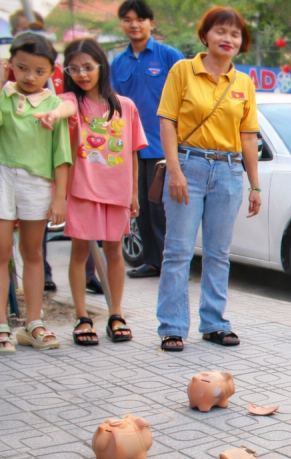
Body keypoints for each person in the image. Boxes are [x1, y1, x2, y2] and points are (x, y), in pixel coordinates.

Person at [155, 6, 261, 352]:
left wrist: (254, 184)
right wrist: (174, 170)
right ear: (205, 36)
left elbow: (248, 136)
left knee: (218, 252)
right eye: (220, 31)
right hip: (189, 165)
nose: (227, 39)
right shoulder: (183, 70)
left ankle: (214, 322)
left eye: (235, 34)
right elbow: (167, 121)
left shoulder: (244, 82)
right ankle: (172, 326)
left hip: (230, 171)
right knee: (178, 251)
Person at [58, 38, 147, 345]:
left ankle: (116, 314)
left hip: (117, 192)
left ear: (101, 67)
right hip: (82, 190)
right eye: (75, 68)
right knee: (80, 252)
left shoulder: (126, 107)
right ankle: (82, 317)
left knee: (115, 253)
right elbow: (63, 106)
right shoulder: (71, 101)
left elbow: (134, 152)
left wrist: (134, 193)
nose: (82, 73)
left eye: (88, 67)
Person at [0, 33, 74, 353]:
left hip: (37, 184)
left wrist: (59, 197)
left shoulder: (55, 105)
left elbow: (62, 154)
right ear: (10, 64)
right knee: (0, 254)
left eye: (38, 71)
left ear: (51, 71)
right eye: (22, 68)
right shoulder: (4, 95)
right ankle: (0, 326)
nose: (29, 77)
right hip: (1, 177)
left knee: (32, 254)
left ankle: (33, 324)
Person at [111, 0, 184, 279]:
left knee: (162, 209)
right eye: (128, 19)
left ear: (151, 23)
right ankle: (152, 261)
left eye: (140, 19)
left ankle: (172, 264)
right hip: (131, 148)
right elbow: (113, 105)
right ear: (122, 24)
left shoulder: (169, 56)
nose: (134, 24)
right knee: (139, 206)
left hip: (163, 146)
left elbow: (187, 96)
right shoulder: (118, 63)